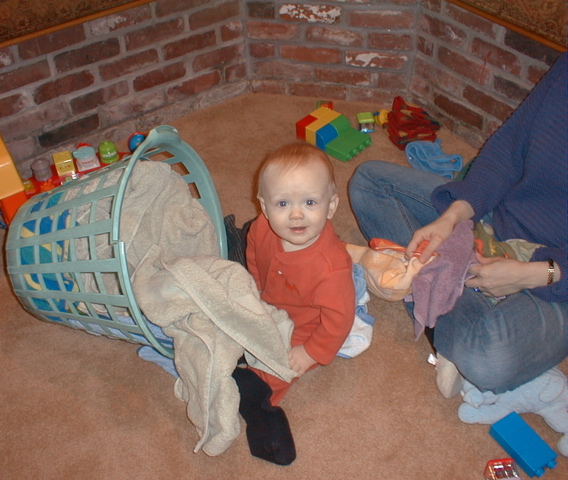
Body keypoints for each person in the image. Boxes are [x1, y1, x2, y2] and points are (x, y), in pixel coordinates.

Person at [347, 51, 567, 399]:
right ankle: (451, 294)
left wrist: (530, 274)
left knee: (489, 359)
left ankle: (439, 292)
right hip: (494, 220)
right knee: (368, 181)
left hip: (555, 276)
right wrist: (454, 216)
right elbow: (508, 150)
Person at [232, 142, 355, 465]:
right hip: (267, 303)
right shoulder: (260, 227)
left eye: (310, 202)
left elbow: (339, 321)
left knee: (280, 365)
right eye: (283, 203)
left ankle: (259, 400)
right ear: (263, 206)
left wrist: (311, 351)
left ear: (331, 207)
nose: (296, 214)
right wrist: (254, 290)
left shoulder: (332, 268)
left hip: (305, 325)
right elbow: (255, 257)